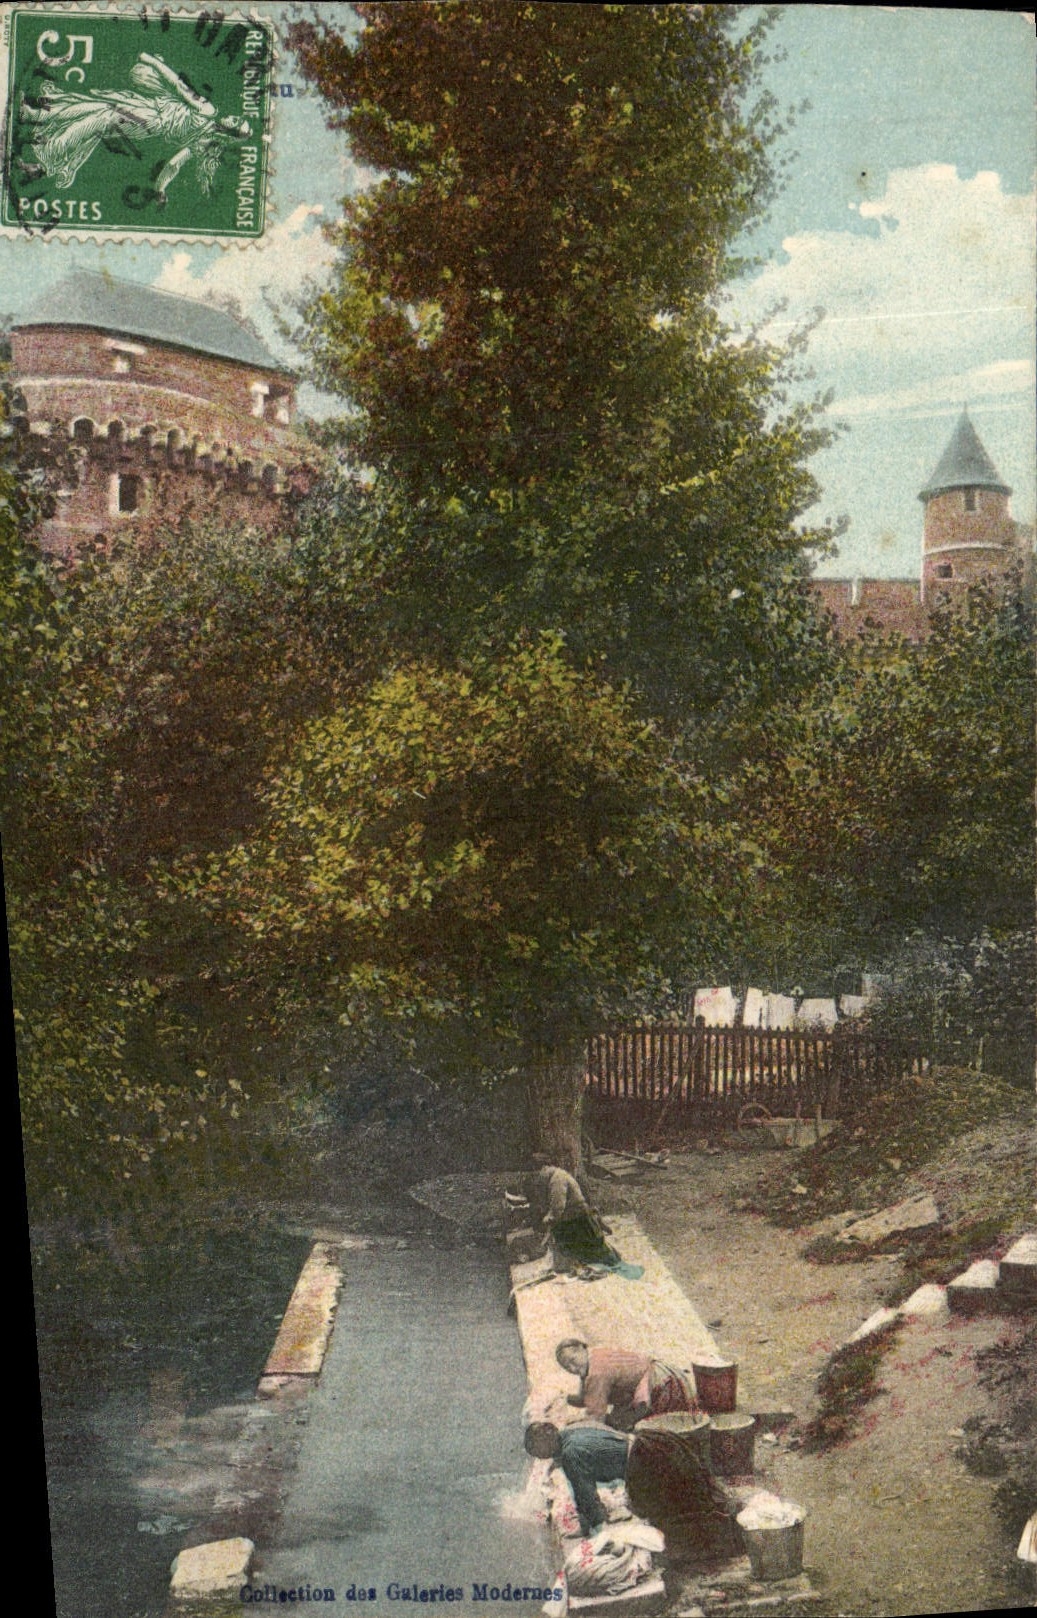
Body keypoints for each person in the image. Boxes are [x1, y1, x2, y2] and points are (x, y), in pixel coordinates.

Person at [19, 52, 251, 198]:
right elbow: (173, 165)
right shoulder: (205, 142)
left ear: (230, 130)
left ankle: (44, 156)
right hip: (148, 111)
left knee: (100, 116)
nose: (233, 117)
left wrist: (151, 61)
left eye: (236, 122)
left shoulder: (208, 112)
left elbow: (179, 86)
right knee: (95, 107)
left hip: (149, 120)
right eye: (238, 118)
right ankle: (36, 119)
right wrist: (160, 190)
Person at [555, 1339, 699, 1429]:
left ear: (581, 1348)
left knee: (627, 1428)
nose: (572, 1369)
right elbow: (588, 1397)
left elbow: (596, 1415)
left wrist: (574, 1424)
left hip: (660, 1385)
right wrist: (566, 1399)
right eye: (567, 1367)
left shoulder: (596, 1371)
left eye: (573, 1361)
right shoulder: (594, 1354)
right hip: (659, 1377)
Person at [524, 1420, 632, 1537]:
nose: (540, 1457)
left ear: (545, 1442)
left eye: (538, 1451)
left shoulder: (570, 1453)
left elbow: (585, 1496)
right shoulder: (568, 1434)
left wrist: (587, 1527)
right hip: (633, 1448)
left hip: (638, 1467)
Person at [531, 1161, 622, 1270]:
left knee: (594, 1246)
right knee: (584, 1247)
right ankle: (569, 1264)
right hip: (574, 1216)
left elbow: (558, 1206)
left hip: (579, 1217)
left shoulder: (557, 1180)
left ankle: (614, 1261)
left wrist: (549, 1219)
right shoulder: (557, 1176)